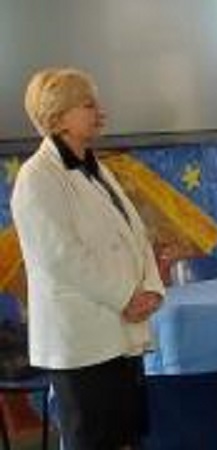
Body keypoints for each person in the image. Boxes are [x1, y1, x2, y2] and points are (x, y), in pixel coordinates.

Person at [11, 68, 165, 449]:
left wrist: (150, 288)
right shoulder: (36, 177)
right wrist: (125, 296)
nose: (101, 112)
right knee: (94, 441)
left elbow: (136, 236)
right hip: (81, 342)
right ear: (58, 116)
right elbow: (61, 256)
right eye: (89, 104)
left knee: (127, 438)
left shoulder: (98, 170)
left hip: (119, 335)